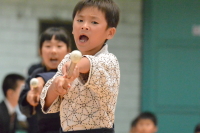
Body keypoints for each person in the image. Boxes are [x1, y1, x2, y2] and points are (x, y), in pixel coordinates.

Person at [40, 0, 120, 133]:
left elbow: (89, 63)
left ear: (110, 33)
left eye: (94, 22)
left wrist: (76, 66)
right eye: (80, 20)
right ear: (72, 28)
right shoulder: (67, 59)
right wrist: (56, 86)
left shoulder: (110, 60)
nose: (85, 26)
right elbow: (47, 102)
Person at [18, 27, 72, 133]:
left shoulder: (71, 73)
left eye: (59, 46)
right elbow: (23, 108)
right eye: (48, 46)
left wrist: (41, 79)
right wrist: (29, 98)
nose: (53, 51)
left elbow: (57, 76)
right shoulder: (34, 73)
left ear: (68, 51)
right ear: (40, 51)